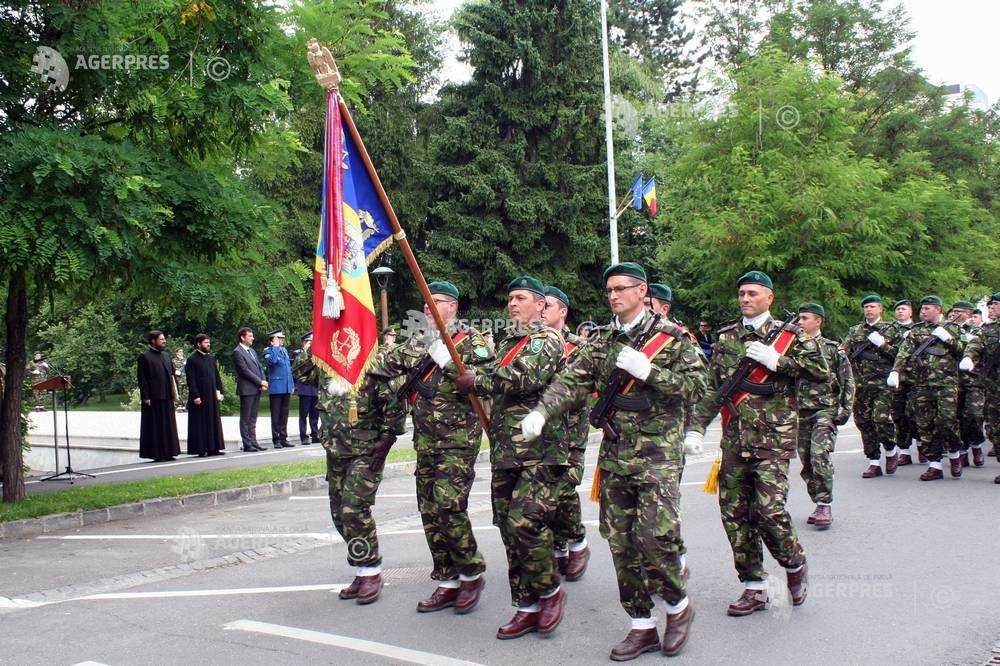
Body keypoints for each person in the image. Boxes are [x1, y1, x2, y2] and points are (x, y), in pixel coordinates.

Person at [522, 263, 706, 659]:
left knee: (655, 538)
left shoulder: (672, 339)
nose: (613, 295)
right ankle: (641, 624)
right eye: (609, 290)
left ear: (642, 292)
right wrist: (542, 411)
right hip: (617, 454)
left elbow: (696, 388)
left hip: (658, 455)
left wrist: (652, 372)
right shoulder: (603, 341)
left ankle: (678, 607)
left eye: (622, 288)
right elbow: (572, 381)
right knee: (620, 542)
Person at [686, 271, 825, 616]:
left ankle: (794, 563)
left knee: (768, 511)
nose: (745, 299)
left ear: (769, 298)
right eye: (742, 294)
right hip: (735, 440)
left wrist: (779, 362)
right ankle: (754, 586)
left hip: (773, 440)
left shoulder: (791, 335)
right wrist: (696, 428)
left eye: (752, 293)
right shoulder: (726, 337)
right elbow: (714, 388)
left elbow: (821, 371)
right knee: (735, 515)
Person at [454, 276, 567, 640]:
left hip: (540, 452)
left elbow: (525, 377)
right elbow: (488, 372)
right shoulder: (507, 342)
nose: (512, 304)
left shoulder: (545, 340)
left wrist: (478, 380)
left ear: (540, 304)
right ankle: (525, 605)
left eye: (521, 298)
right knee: (506, 527)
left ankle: (550, 589)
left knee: (525, 523)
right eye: (510, 298)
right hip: (506, 451)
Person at [378, 281, 492, 614]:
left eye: (436, 302)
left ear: (453, 307)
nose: (428, 307)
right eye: (426, 303)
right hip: (426, 442)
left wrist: (453, 365)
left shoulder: (472, 340)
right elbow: (387, 366)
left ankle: (471, 572)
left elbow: (488, 380)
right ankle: (447, 579)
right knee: (429, 511)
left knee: (448, 506)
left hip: (458, 442)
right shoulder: (417, 341)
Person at [320, 358, 406, 605]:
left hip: (365, 450)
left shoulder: (370, 365)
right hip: (336, 451)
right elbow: (301, 372)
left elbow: (393, 403)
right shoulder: (326, 364)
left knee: (354, 509)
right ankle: (361, 569)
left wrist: (387, 439)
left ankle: (371, 572)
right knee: (339, 514)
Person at [540, 285, 590, 581]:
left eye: (549, 305)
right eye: (541, 304)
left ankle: (577, 540)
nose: (543, 309)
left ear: (563, 312)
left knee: (564, 490)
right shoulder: (533, 343)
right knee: (545, 496)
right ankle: (558, 548)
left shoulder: (578, 347)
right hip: (542, 435)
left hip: (571, 434)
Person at [888, 295, 969, 480]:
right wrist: (895, 371)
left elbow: (967, 352)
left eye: (927, 309)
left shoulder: (954, 329)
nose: (923, 312)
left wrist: (948, 339)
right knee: (925, 424)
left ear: (938, 310)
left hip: (947, 384)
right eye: (922, 309)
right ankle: (935, 465)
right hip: (922, 384)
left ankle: (955, 453)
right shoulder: (916, 331)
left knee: (946, 421)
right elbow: (904, 352)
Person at [794, 303, 855, 529]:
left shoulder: (832, 349)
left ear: (818, 321)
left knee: (820, 455)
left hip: (825, 409)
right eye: (799, 318)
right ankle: (817, 499)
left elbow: (847, 379)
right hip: (799, 411)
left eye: (804, 318)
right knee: (807, 460)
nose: (800, 322)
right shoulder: (792, 347)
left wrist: (846, 408)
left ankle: (824, 503)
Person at [843, 295, 900, 478]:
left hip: (883, 383)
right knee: (863, 422)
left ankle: (891, 451)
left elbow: (900, 355)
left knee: (880, 419)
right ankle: (874, 461)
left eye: (872, 306)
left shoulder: (891, 329)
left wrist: (883, 344)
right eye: (866, 307)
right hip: (860, 384)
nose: (869, 310)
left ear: (881, 309)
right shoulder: (855, 330)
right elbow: (845, 352)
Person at [949, 301, 986, 467]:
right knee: (956, 417)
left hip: (974, 381)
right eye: (954, 311)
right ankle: (962, 449)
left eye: (960, 311)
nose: (955, 314)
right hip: (951, 380)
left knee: (973, 414)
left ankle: (976, 444)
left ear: (969, 314)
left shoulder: (979, 331)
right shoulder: (946, 329)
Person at [966, 292, 999, 483]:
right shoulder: (988, 329)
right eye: (990, 305)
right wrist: (969, 357)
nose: (991, 308)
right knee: (995, 429)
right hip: (993, 386)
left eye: (995, 304)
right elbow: (975, 344)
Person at [137, 330, 181, 462]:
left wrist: (175, 392)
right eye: (161, 339)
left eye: (164, 339)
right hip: (153, 397)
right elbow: (142, 379)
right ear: (153, 341)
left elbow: (172, 376)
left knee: (168, 425)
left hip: (167, 395)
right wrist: (146, 397)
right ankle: (157, 453)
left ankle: (169, 451)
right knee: (156, 426)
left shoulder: (166, 356)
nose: (164, 341)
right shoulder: (144, 356)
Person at [887, 299, 919, 465]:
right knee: (898, 415)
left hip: (916, 379)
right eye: (898, 309)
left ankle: (922, 445)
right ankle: (905, 451)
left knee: (916, 415)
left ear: (911, 312)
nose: (900, 311)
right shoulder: (888, 330)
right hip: (897, 379)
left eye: (903, 309)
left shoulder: (919, 329)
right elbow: (888, 353)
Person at [184, 334, 225, 457]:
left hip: (212, 396)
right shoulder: (191, 360)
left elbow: (216, 377)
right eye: (206, 342)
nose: (208, 344)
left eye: (209, 342)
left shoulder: (210, 359)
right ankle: (201, 449)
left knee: (213, 422)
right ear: (198, 344)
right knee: (201, 423)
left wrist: (220, 391)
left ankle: (214, 447)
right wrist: (195, 396)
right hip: (200, 397)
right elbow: (191, 380)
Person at [233, 327, 267, 452]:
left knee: (253, 417)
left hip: (256, 388)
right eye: (250, 336)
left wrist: (263, 381)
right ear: (242, 337)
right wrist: (260, 381)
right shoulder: (237, 352)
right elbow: (244, 371)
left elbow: (259, 367)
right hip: (247, 389)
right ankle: (247, 443)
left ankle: (254, 441)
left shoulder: (252, 351)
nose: (252, 338)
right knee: (246, 417)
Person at [263, 330, 294, 449]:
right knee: (276, 415)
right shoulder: (268, 351)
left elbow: (288, 370)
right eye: (278, 338)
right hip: (276, 388)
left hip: (286, 387)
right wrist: (275, 347)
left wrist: (291, 385)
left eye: (281, 338)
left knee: (284, 415)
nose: (281, 340)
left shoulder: (284, 350)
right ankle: (276, 439)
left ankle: (283, 438)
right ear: (272, 340)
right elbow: (272, 362)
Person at [292, 332, 322, 445]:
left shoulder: (316, 355)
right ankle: (303, 436)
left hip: (314, 388)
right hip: (304, 388)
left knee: (315, 414)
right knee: (303, 414)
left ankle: (314, 434)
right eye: (311, 342)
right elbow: (298, 369)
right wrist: (307, 352)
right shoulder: (299, 355)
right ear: (304, 343)